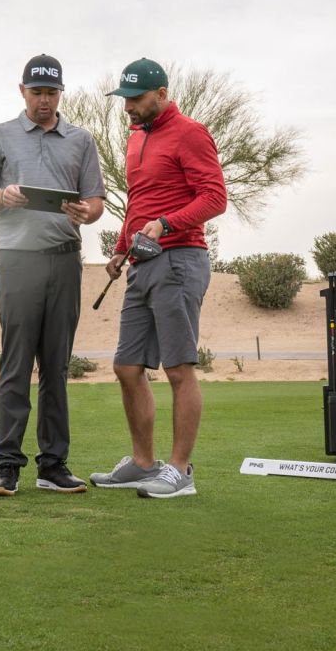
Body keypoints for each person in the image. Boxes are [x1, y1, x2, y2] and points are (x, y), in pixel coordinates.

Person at [88, 58, 227, 499]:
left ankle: (180, 471)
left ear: (162, 94)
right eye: (124, 100)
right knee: (127, 367)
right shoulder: (136, 139)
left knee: (178, 367)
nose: (128, 107)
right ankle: (144, 463)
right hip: (142, 264)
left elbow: (215, 197)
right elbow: (138, 202)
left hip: (181, 260)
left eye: (136, 99)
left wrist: (167, 224)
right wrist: (118, 249)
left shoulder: (190, 133)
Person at [0, 54, 106, 496]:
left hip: (64, 259)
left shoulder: (81, 140)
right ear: (22, 91)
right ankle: (7, 465)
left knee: (56, 367)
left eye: (51, 92)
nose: (44, 100)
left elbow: (95, 204)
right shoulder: (0, 136)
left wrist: (85, 212)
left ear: (60, 93)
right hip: (17, 259)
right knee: (15, 365)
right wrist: (3, 197)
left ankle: (53, 466)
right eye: (37, 92)